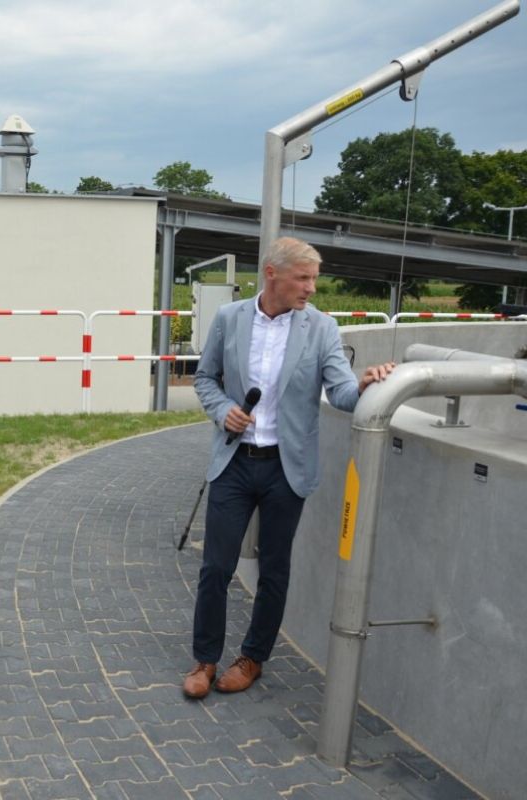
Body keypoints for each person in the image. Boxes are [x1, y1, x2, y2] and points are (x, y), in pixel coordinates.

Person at [183, 237, 395, 700]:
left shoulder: (322, 328)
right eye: (303, 278)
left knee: (275, 570)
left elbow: (341, 394)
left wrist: (365, 384)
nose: (311, 288)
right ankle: (205, 660)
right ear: (272, 274)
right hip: (234, 462)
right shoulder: (229, 318)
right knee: (216, 567)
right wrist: (222, 411)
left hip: (286, 468)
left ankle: (252, 658)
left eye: (314, 278)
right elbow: (205, 378)